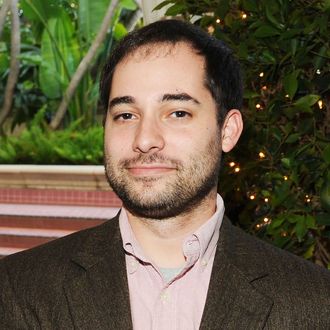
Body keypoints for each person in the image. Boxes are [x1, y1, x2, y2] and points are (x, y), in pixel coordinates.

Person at [0, 19, 329, 330]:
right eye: (126, 114)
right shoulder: (18, 289)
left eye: (178, 112)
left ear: (227, 131)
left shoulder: (313, 302)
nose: (144, 140)